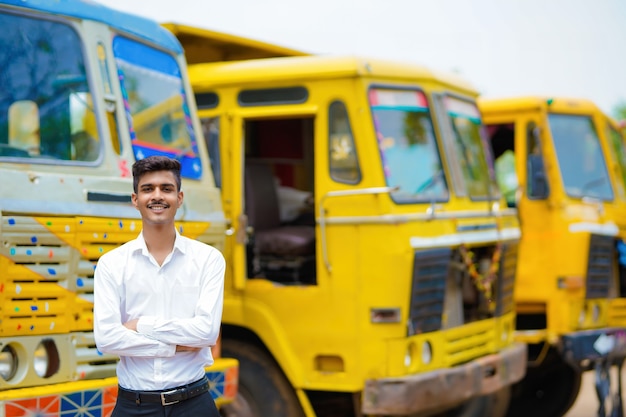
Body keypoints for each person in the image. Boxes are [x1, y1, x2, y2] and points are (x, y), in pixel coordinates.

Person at [93, 155, 225, 417]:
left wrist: (140, 325)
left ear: (180, 198)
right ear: (135, 200)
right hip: (133, 406)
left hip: (194, 404)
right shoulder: (111, 264)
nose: (157, 196)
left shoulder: (209, 259)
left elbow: (207, 333)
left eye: (166, 189)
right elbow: (107, 338)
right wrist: (175, 346)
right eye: (147, 189)